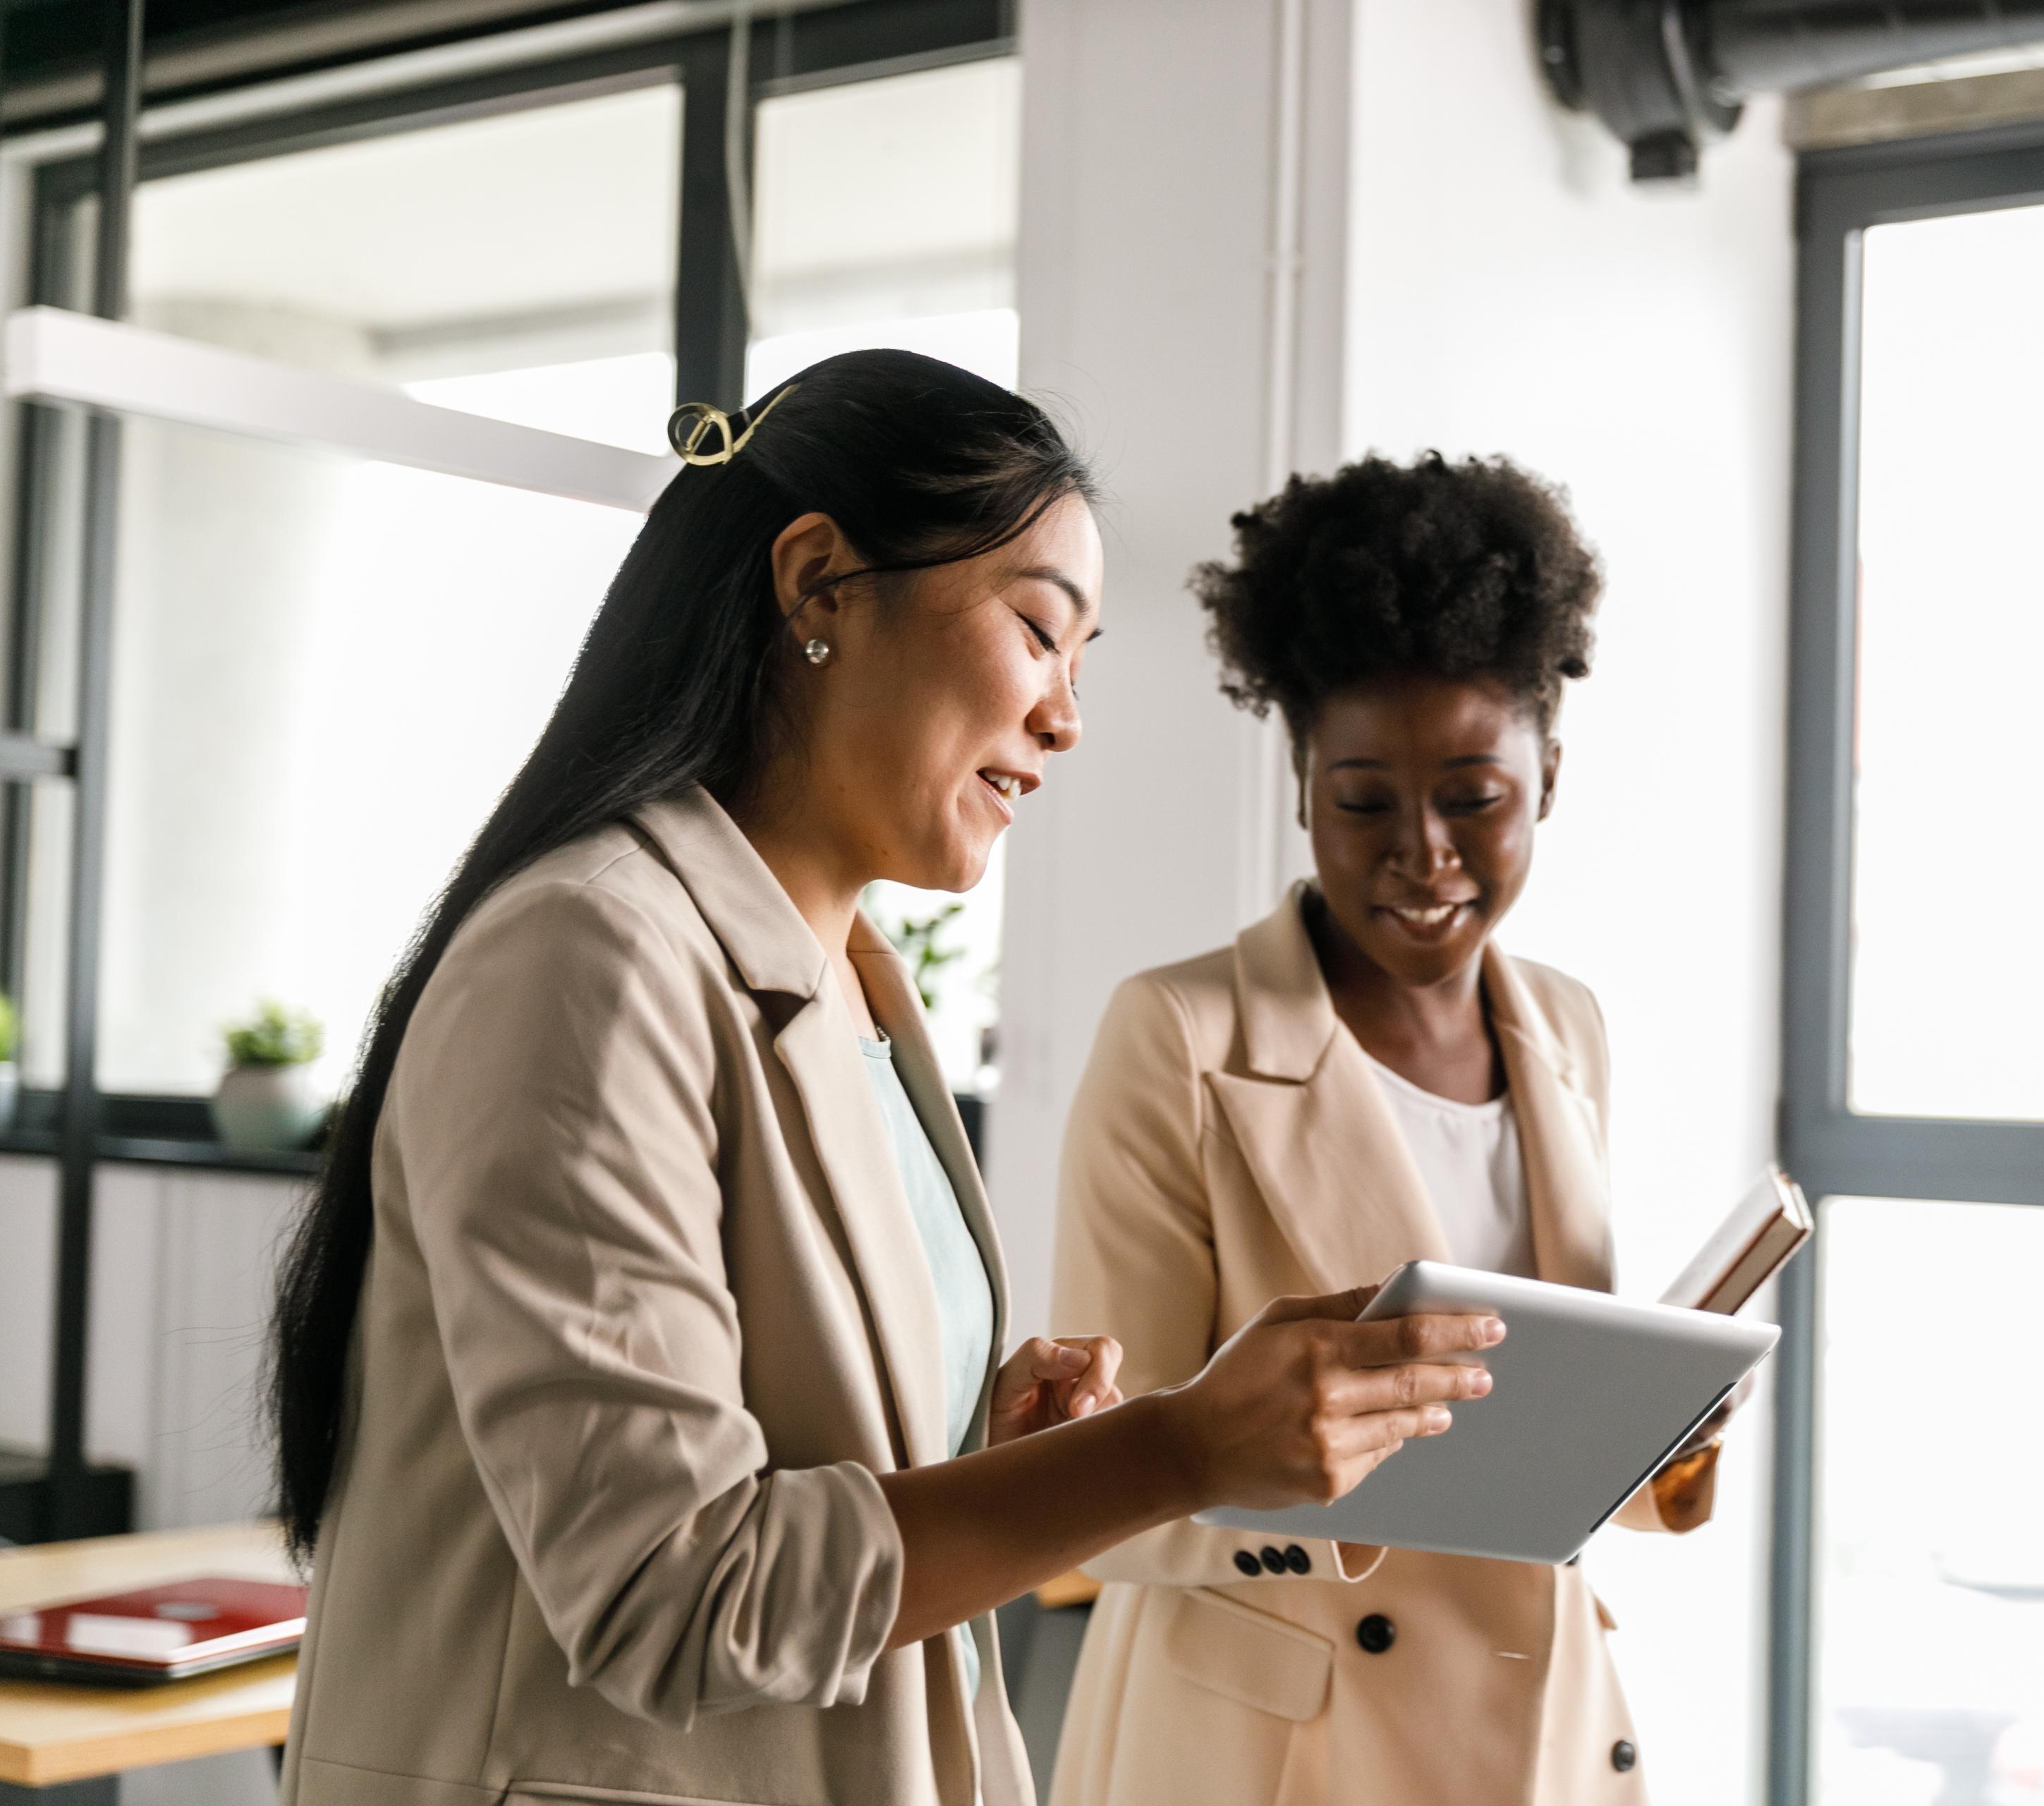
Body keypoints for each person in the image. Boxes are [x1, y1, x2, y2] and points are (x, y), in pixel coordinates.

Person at [264, 354, 1502, 1806]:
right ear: (817, 587)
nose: (1067, 718)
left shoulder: (854, 984)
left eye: (1084, 661)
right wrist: (1175, 1445)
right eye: (1041, 630)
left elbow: (798, 1448)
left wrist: (985, 1434)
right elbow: (673, 1586)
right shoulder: (586, 955)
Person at [1047, 453, 1734, 1806]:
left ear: (1549, 777)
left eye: (1475, 798)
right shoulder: (1178, 1040)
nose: (1422, 852)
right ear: (1304, 786)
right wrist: (1335, 1479)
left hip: (1538, 1730)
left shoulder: (1568, 1029)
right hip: (1281, 1750)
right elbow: (1097, 1485)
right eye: (1365, 801)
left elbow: (1540, 1427)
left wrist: (1659, 1434)